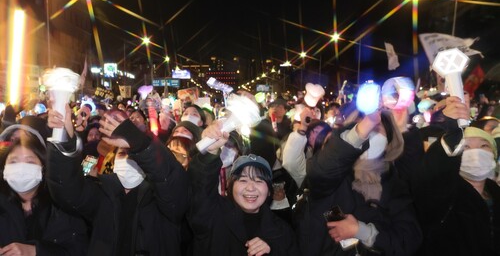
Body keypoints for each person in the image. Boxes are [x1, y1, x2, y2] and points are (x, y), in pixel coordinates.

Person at [46, 105, 189, 255]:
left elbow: (173, 185)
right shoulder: (102, 189)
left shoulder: (161, 198)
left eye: (132, 155)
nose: (127, 159)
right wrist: (64, 139)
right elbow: (67, 190)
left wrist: (141, 144)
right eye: (121, 155)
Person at [300, 109, 422, 255]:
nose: (369, 133)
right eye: (362, 128)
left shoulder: (393, 182)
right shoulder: (333, 170)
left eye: (376, 129)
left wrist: (363, 232)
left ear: (389, 141)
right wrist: (363, 128)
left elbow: (409, 238)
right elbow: (320, 174)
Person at [187, 121, 301, 256]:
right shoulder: (212, 214)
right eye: (243, 180)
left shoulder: (281, 231)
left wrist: (272, 251)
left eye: (259, 181)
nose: (251, 187)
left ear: (269, 190)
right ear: (230, 185)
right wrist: (211, 152)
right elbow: (200, 187)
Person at [412, 96, 500, 255]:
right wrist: (451, 135)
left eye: (484, 145)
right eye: (466, 147)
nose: (476, 152)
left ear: (494, 155)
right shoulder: (442, 193)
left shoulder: (495, 193)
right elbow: (432, 175)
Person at [0, 133, 88, 255]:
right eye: (13, 162)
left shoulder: (62, 207)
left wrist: (35, 251)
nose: (20, 169)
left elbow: (78, 249)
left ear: (43, 168)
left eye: (30, 162)